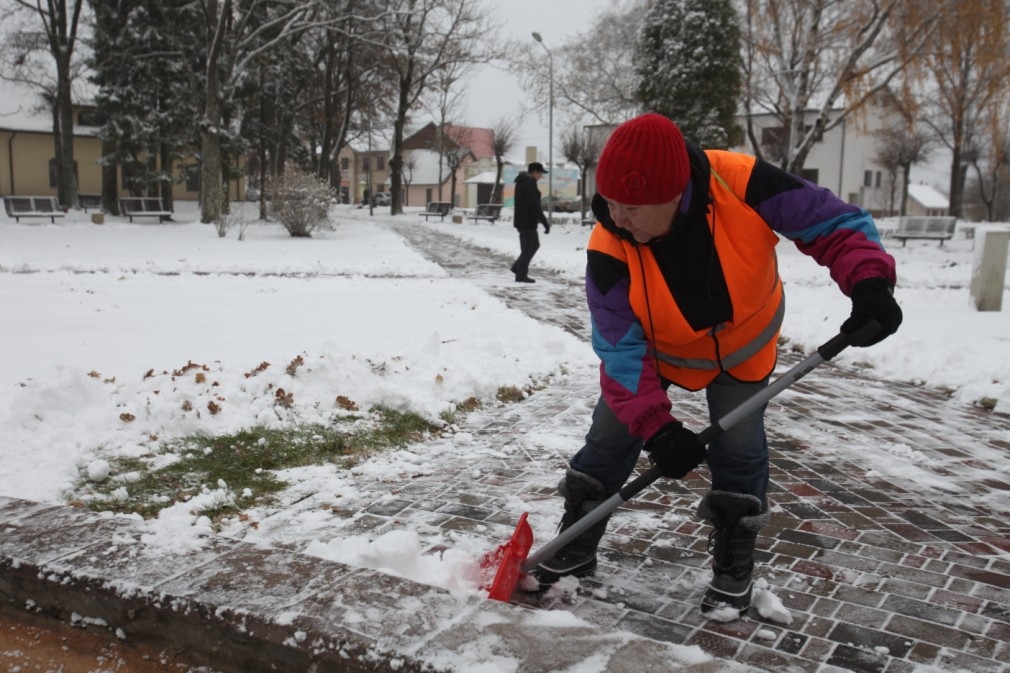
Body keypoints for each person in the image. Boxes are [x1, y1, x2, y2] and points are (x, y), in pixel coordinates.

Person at [532, 113, 902, 619]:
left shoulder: (741, 181)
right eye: (611, 202)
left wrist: (870, 282)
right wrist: (657, 429)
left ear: (675, 193)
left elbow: (833, 223)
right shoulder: (609, 246)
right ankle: (578, 538)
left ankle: (734, 556)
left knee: (740, 448)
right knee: (610, 435)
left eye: (632, 207)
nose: (618, 218)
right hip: (657, 354)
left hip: (744, 347)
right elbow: (620, 351)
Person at [510, 162, 551, 283]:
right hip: (526, 222)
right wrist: (545, 222)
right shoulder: (528, 184)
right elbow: (534, 206)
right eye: (540, 173)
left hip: (525, 221)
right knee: (528, 249)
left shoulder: (525, 182)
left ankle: (518, 268)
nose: (541, 176)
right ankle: (520, 275)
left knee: (534, 245)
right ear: (534, 172)